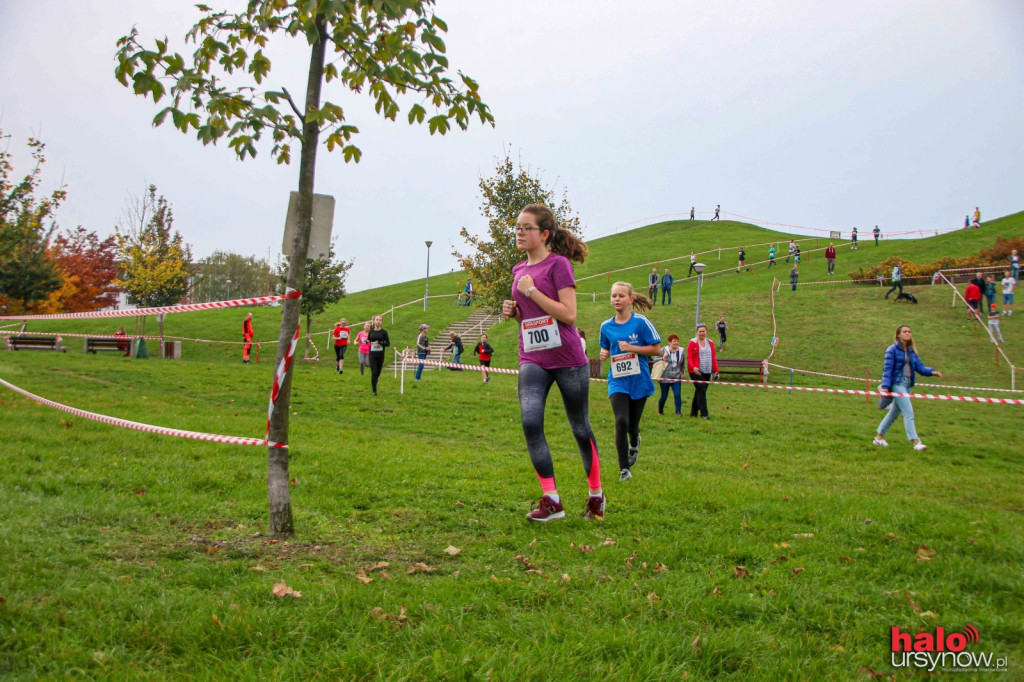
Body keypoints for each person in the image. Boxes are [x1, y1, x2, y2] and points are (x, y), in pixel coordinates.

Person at [502, 203, 604, 522]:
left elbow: (569, 314)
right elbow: (529, 316)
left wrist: (531, 293)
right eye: (517, 227)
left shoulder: (558, 265)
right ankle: (552, 500)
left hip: (567, 359)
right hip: (532, 357)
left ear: (544, 234)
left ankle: (596, 496)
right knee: (531, 423)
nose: (519, 232)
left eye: (526, 227)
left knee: (579, 427)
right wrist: (514, 312)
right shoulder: (519, 270)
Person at [599, 282, 661, 482]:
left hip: (639, 379)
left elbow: (657, 349)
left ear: (630, 300)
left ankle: (635, 441)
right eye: (613, 296)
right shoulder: (606, 326)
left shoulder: (641, 322)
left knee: (632, 425)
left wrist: (633, 348)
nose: (616, 299)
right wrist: (604, 352)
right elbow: (605, 348)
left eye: (621, 296)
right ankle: (624, 470)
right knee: (621, 421)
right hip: (617, 380)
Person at [873, 324, 942, 451]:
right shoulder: (892, 350)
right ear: (898, 334)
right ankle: (916, 442)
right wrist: (886, 386)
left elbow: (920, 367)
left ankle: (878, 438)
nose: (908, 334)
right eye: (905, 331)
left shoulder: (911, 352)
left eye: (909, 332)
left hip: (908, 385)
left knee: (893, 414)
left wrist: (932, 372)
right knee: (908, 412)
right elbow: (887, 369)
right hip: (897, 384)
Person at [686, 323, 719, 419]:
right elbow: (690, 357)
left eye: (703, 331)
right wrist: (693, 368)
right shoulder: (692, 342)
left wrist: (716, 370)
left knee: (699, 392)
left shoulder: (710, 342)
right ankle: (704, 414)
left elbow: (713, 357)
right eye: (700, 331)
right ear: (697, 332)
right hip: (696, 371)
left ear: (706, 332)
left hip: (708, 370)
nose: (702, 333)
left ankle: (693, 413)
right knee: (702, 390)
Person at [657, 334, 685, 417]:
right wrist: (663, 358)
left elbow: (683, 363)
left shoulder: (681, 351)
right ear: (669, 342)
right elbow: (655, 360)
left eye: (677, 341)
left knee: (677, 394)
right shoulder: (663, 350)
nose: (676, 343)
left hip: (676, 377)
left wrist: (682, 372)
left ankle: (678, 412)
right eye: (674, 341)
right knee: (664, 396)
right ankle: (660, 411)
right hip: (665, 377)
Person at [367, 315, 390, 396]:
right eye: (377, 320)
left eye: (380, 320)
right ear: (374, 321)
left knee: (378, 373)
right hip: (372, 354)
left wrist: (379, 343)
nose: (378, 321)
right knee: (374, 371)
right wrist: (367, 341)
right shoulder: (371, 331)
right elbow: (369, 339)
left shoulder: (384, 332)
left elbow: (388, 343)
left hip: (380, 354)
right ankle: (374, 390)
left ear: (382, 322)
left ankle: (374, 381)